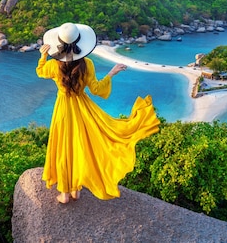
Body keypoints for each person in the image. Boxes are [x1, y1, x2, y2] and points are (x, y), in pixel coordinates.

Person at [36, 22, 160, 203]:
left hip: (63, 110)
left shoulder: (54, 66)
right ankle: (76, 189)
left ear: (59, 43)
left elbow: (40, 71)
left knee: (65, 148)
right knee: (81, 146)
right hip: (83, 109)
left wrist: (43, 55)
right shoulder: (87, 64)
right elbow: (96, 89)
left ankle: (65, 193)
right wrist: (111, 73)